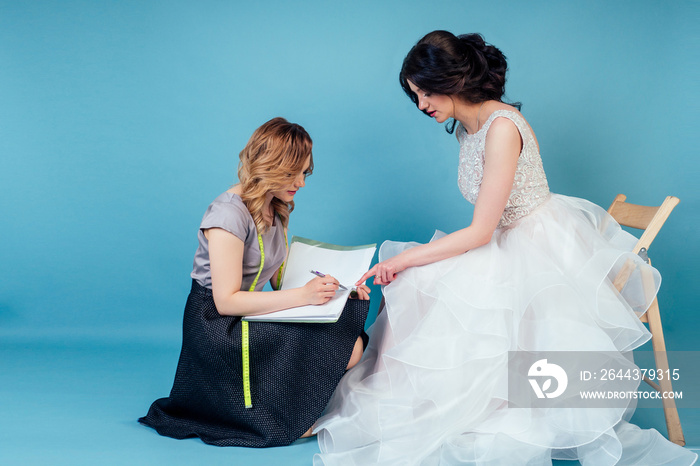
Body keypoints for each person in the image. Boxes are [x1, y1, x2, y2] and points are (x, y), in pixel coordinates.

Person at [312, 31, 697, 465]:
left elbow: (479, 232)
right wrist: (410, 262)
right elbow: (486, 225)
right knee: (416, 282)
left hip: (540, 245)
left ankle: (456, 407)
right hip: (504, 239)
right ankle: (405, 406)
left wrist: (405, 258)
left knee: (417, 278)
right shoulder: (466, 130)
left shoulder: (501, 128)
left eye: (426, 92)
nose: (422, 106)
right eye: (416, 97)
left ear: (451, 78)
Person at [139, 117, 370, 447]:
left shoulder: (274, 208)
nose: (301, 183)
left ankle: (290, 408)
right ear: (269, 166)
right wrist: (304, 296)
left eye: (305, 173)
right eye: (292, 174)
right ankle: (287, 415)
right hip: (217, 323)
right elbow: (226, 301)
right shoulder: (227, 215)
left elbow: (280, 279)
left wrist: (341, 291)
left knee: (349, 335)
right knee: (332, 343)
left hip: (249, 310)